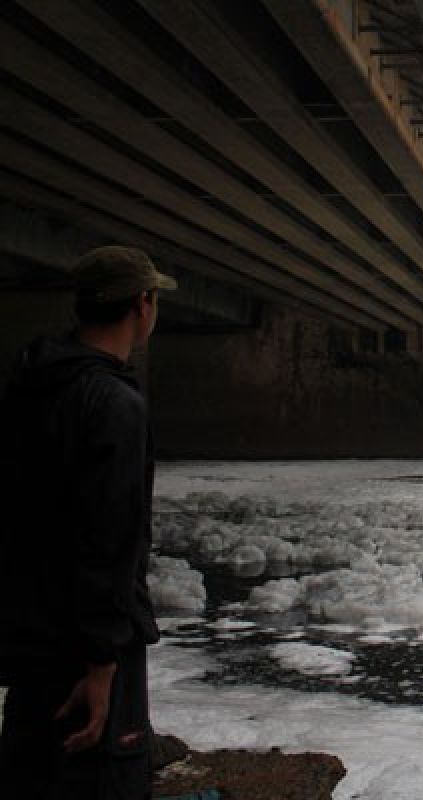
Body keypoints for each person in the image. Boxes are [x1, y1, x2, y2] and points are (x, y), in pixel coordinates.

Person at [0, 246, 176, 798]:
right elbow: (110, 538)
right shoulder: (114, 404)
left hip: (28, 640)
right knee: (103, 779)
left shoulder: (29, 384)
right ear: (143, 306)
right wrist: (102, 664)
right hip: (87, 655)